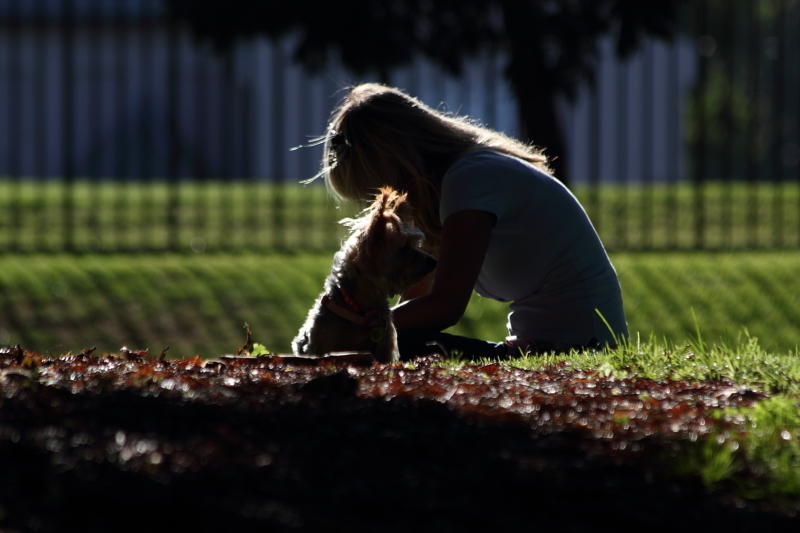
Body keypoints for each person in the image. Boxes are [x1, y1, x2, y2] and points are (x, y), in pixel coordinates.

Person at [314, 83, 628, 359]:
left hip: (582, 346)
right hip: (544, 344)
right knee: (398, 344)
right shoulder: (457, 184)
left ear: (394, 166)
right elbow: (421, 298)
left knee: (403, 345)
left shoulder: (472, 179)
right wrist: (364, 325)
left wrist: (362, 324)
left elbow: (444, 306)